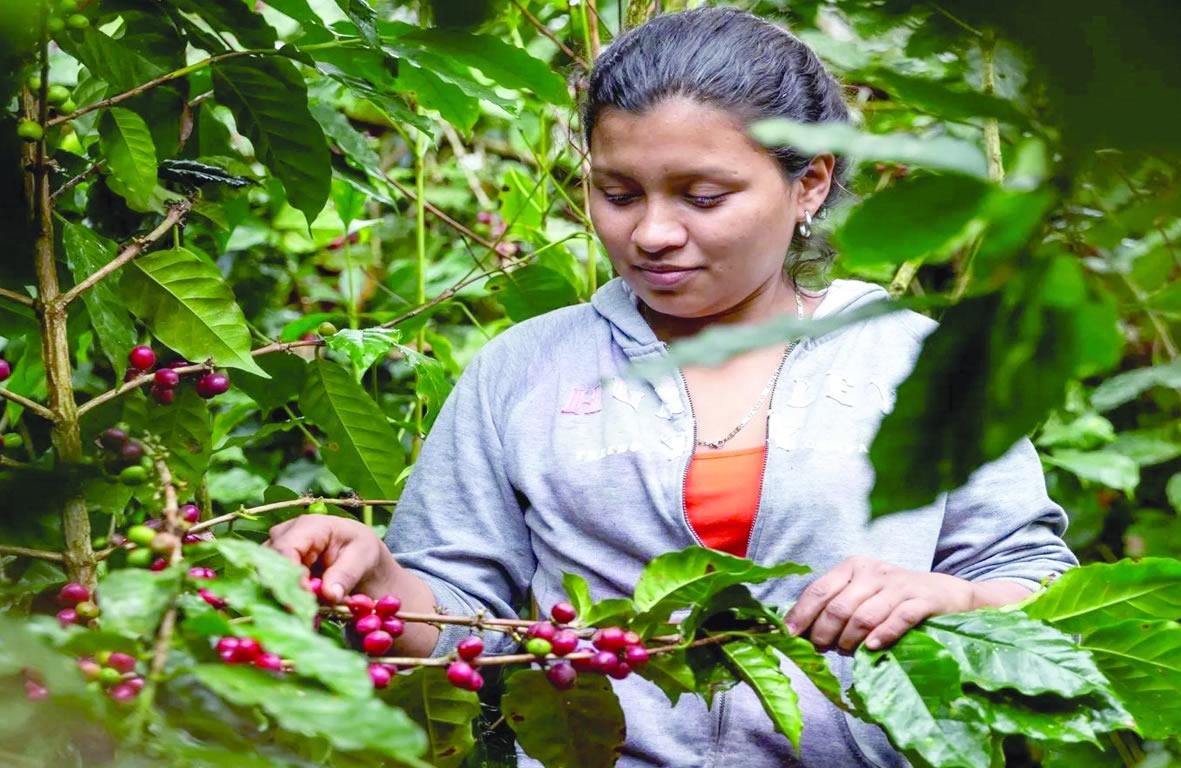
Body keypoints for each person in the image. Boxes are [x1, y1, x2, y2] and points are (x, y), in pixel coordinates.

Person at [268, 7, 1076, 766]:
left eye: (704, 196)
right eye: (617, 194)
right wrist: (378, 581)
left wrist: (948, 600)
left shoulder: (918, 363)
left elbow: (1042, 593)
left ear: (811, 184)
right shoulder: (523, 369)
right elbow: (463, 625)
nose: (651, 233)